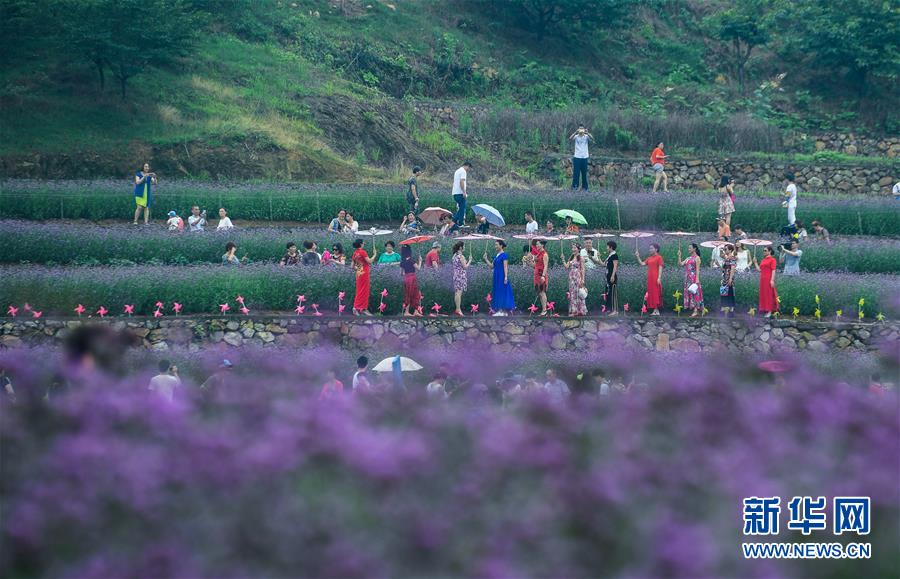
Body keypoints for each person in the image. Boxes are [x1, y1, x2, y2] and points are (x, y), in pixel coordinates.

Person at [483, 240, 515, 316]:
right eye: (495, 245)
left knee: (502, 292)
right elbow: (492, 266)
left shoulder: (504, 255)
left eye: (497, 245)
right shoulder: (497, 255)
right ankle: (500, 310)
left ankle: (502, 311)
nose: (495, 246)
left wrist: (506, 277)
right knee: (497, 291)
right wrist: (486, 259)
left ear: (501, 246)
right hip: (496, 275)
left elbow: (505, 266)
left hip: (501, 275)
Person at [635, 243, 664, 315]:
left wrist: (659, 277)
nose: (650, 250)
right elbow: (642, 263)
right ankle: (654, 309)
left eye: (651, 248)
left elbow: (660, 267)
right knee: (651, 293)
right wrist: (638, 256)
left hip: (655, 278)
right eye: (650, 248)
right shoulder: (649, 258)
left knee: (656, 293)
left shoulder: (659, 257)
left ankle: (656, 310)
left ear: (656, 249)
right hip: (650, 278)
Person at [351, 239, 377, 315]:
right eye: (363, 243)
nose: (364, 244)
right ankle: (360, 308)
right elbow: (370, 261)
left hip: (359, 274)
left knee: (359, 290)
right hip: (364, 274)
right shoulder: (362, 252)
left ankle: (359, 308)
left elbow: (352, 266)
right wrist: (375, 254)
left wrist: (359, 268)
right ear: (361, 244)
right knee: (365, 291)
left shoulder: (355, 253)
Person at [678, 243, 703, 317]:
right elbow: (680, 264)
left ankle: (696, 310)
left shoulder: (697, 258)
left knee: (695, 293)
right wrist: (679, 256)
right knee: (689, 293)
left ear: (694, 249)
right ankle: (693, 309)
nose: (688, 249)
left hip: (694, 277)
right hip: (687, 278)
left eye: (690, 248)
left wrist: (697, 279)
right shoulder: (688, 258)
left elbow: (698, 269)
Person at [754, 246, 779, 318]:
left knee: (769, 295)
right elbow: (759, 270)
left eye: (765, 250)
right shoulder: (763, 260)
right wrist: (755, 262)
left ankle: (770, 311)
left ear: (770, 251)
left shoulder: (772, 260)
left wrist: (772, 280)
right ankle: (764, 309)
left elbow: (773, 270)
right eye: (763, 250)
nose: (764, 252)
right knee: (763, 294)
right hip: (762, 280)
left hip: (768, 279)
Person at [400, 244, 423, 316]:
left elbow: (401, 273)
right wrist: (420, 261)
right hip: (412, 278)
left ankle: (410, 311)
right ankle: (410, 312)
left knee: (408, 294)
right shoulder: (411, 260)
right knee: (416, 294)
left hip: (406, 278)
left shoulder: (402, 262)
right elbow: (418, 268)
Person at [569, 124, 593, 191]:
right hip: (577, 157)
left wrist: (587, 133)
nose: (581, 130)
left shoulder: (586, 136)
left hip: (584, 157)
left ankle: (585, 187)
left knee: (584, 173)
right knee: (576, 173)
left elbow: (592, 138)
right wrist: (575, 132)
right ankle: (574, 187)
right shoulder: (576, 136)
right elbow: (570, 138)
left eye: (582, 128)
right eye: (580, 129)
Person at [565, 242, 587, 316]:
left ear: (578, 249)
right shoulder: (571, 257)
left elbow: (583, 269)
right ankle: (574, 310)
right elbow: (566, 267)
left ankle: (578, 311)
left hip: (577, 276)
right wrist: (563, 259)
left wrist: (583, 279)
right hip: (571, 277)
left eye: (575, 248)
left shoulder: (581, 258)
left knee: (578, 293)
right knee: (572, 293)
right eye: (572, 248)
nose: (573, 249)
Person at [452, 241, 472, 316]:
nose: (465, 247)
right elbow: (465, 267)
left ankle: (457, 309)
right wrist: (470, 260)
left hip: (456, 275)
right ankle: (458, 309)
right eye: (464, 246)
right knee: (459, 293)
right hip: (461, 275)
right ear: (461, 247)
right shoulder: (461, 256)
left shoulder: (454, 255)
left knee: (457, 292)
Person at [451, 161, 472, 232]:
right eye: (469, 168)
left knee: (461, 208)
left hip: (455, 193)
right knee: (462, 208)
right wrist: (464, 192)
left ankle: (457, 222)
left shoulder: (457, 171)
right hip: (460, 193)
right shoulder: (463, 171)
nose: (468, 170)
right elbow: (461, 182)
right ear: (467, 166)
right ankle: (458, 222)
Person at [532, 239, 550, 315]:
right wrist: (528, 262)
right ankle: (543, 309)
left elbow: (546, 266)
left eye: (538, 244)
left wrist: (543, 276)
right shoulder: (538, 254)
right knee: (539, 293)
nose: (536, 246)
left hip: (541, 275)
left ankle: (544, 310)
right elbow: (535, 266)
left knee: (542, 292)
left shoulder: (545, 254)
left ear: (542, 245)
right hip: (536, 275)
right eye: (536, 244)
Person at [719, 243, 736, 316]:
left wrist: (730, 279)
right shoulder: (727, 258)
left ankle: (731, 309)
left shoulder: (732, 258)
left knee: (730, 292)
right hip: (724, 277)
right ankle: (724, 307)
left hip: (729, 277)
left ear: (730, 250)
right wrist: (721, 249)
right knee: (723, 292)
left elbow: (732, 268)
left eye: (726, 249)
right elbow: (721, 255)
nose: (725, 250)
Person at [604, 241, 619, 315]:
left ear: (611, 247)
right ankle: (609, 309)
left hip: (611, 277)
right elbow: (603, 264)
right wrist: (595, 258)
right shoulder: (609, 256)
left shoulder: (614, 255)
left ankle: (615, 310)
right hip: (607, 277)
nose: (606, 248)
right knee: (608, 293)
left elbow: (615, 266)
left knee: (613, 293)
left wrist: (613, 275)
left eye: (607, 246)